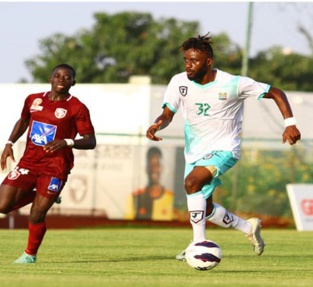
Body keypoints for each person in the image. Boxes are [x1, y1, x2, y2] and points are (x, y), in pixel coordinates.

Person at [146, 34, 301, 260]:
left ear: (208, 61)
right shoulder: (179, 82)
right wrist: (158, 124)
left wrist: (290, 123)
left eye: (194, 61)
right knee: (205, 208)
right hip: (195, 152)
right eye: (186, 61)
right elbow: (168, 113)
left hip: (225, 149)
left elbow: (276, 92)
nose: (188, 65)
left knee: (192, 183)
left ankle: (198, 244)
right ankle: (248, 228)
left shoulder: (233, 83)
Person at [0, 64, 96, 264]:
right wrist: (9, 143)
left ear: (73, 83)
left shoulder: (77, 107)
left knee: (37, 213)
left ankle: (30, 255)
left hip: (56, 167)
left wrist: (67, 141)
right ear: (50, 78)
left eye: (67, 77)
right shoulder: (33, 100)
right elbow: (23, 121)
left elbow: (90, 141)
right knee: (1, 206)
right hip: (29, 162)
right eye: (57, 76)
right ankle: (48, 195)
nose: (61, 80)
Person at [125, 146, 177, 221]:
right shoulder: (134, 198)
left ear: (162, 167)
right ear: (146, 168)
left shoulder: (171, 198)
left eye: (157, 164)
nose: (154, 168)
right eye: (151, 164)